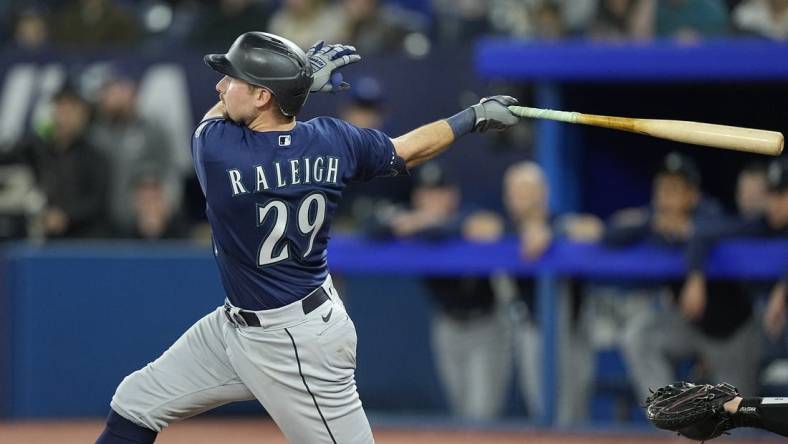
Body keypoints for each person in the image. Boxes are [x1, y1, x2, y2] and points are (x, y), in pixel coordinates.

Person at [94, 31, 519, 444]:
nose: (221, 85)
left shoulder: (219, 150)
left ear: (262, 95)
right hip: (239, 325)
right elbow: (406, 150)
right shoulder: (333, 140)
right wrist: (473, 117)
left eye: (233, 78)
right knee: (137, 403)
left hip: (294, 342)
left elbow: (217, 114)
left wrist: (302, 83)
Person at [367, 162, 512, 420]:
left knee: (482, 415)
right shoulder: (413, 222)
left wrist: (429, 223)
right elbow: (372, 227)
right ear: (417, 197)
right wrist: (409, 222)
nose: (433, 199)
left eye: (440, 192)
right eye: (427, 193)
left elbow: (488, 227)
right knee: (460, 410)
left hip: (486, 323)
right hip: (446, 325)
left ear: (453, 195)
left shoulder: (468, 214)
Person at [621, 152, 763, 403]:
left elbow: (717, 230)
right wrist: (637, 222)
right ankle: (670, 414)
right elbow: (612, 235)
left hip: (730, 333)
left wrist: (695, 271)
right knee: (640, 335)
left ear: (692, 194)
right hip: (688, 326)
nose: (666, 198)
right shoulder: (654, 220)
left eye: (674, 189)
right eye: (662, 189)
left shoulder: (709, 212)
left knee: (736, 419)